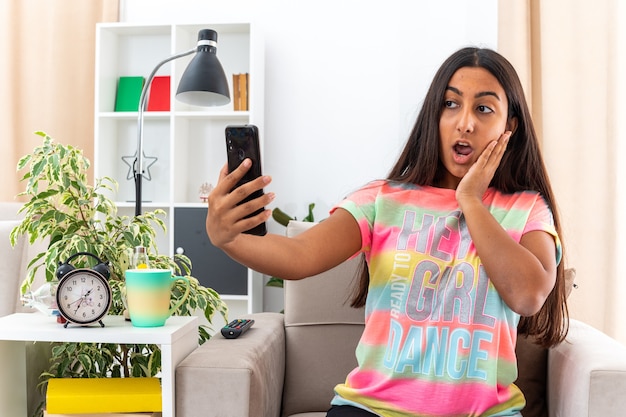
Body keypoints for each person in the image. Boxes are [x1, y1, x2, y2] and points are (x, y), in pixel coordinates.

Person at [206, 47, 569, 417]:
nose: (465, 123)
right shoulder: (383, 199)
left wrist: (471, 201)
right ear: (434, 115)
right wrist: (227, 237)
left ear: (510, 127)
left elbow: (528, 295)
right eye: (450, 104)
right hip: (373, 410)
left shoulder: (527, 209)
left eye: (484, 108)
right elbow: (298, 257)